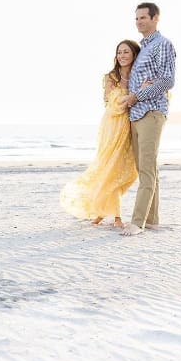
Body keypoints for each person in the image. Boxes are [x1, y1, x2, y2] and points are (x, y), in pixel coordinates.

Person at [60, 40, 140, 227]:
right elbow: (113, 102)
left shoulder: (138, 75)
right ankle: (114, 215)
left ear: (134, 54)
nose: (121, 55)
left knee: (123, 170)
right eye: (119, 52)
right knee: (108, 167)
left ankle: (104, 210)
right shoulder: (111, 77)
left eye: (126, 52)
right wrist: (131, 98)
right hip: (113, 125)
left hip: (131, 126)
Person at [120, 2, 177, 236]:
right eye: (136, 18)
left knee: (146, 169)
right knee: (146, 167)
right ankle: (152, 219)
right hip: (136, 114)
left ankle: (137, 222)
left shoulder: (162, 44)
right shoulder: (143, 48)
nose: (139, 22)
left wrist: (137, 96)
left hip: (151, 112)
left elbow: (167, 80)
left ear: (155, 18)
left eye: (143, 17)